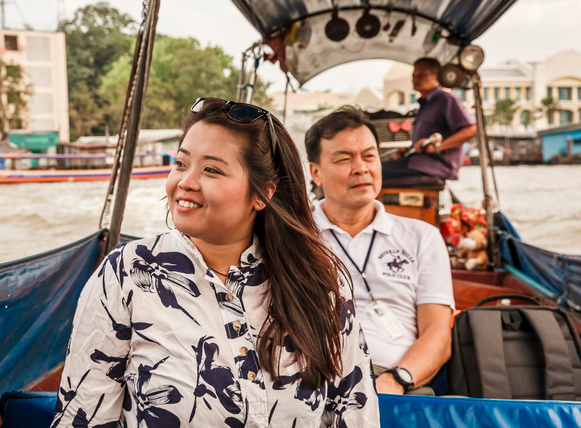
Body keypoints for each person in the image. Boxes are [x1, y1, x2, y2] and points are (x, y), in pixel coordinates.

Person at [52, 98, 379, 427]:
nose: (186, 182)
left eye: (211, 170)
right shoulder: (127, 274)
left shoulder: (320, 281)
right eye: (181, 164)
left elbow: (353, 409)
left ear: (262, 193)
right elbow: (83, 416)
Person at [305, 106, 454, 396]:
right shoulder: (293, 235)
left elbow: (438, 334)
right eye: (344, 158)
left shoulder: (422, 237)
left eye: (369, 156)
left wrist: (397, 380)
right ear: (316, 173)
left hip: (395, 381)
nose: (361, 168)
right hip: (314, 382)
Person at [383, 57, 477, 181]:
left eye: (421, 75)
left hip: (434, 166)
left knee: (377, 172)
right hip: (418, 161)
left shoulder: (446, 100)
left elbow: (471, 130)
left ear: (437, 76)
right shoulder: (425, 105)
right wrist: (407, 150)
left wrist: (438, 147)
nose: (415, 79)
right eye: (414, 76)